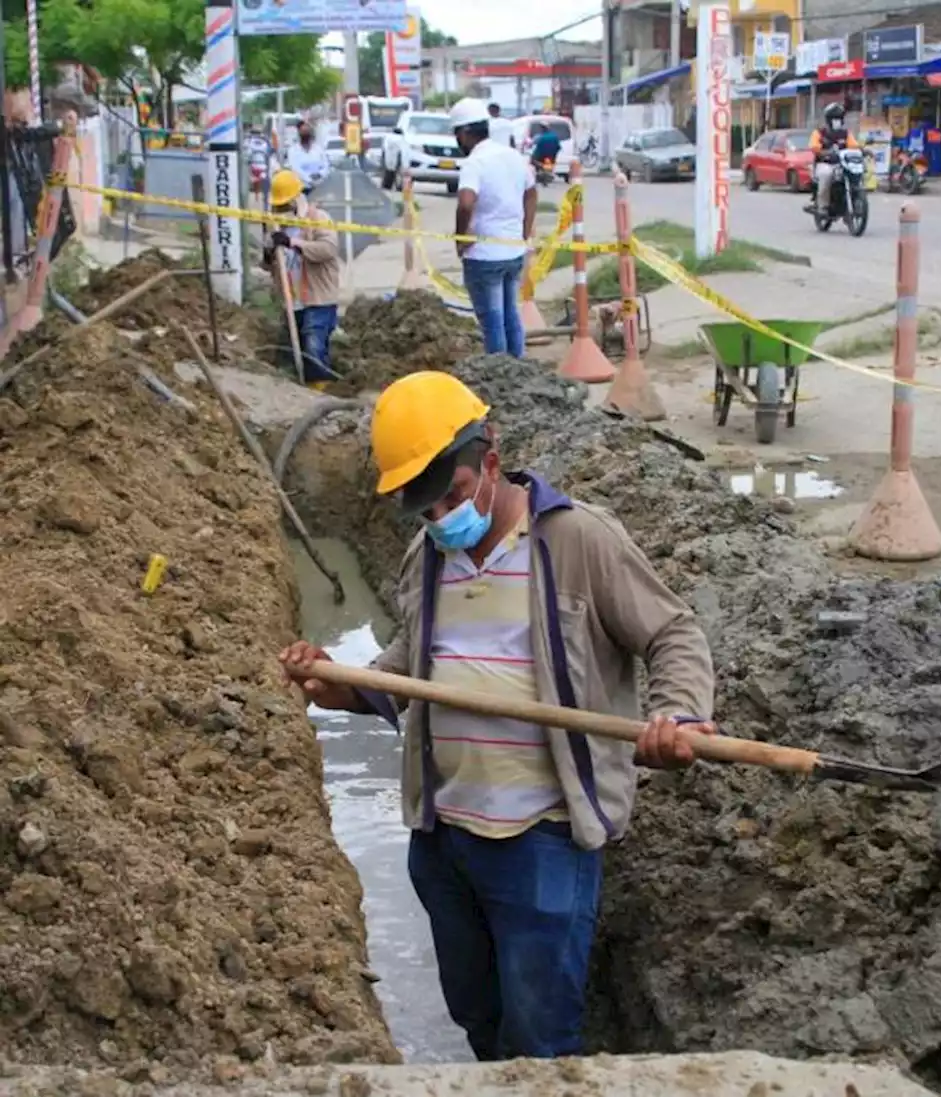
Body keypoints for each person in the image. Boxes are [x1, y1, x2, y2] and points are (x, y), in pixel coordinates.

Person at [279, 371, 716, 1061]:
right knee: (478, 1018)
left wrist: (679, 714)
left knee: (539, 1040)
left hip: (541, 841)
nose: (441, 519)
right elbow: (409, 671)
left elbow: (673, 634)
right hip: (444, 839)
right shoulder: (429, 555)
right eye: (423, 509)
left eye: (451, 496)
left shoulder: (578, 540)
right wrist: (336, 683)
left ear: (490, 457)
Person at [450, 98, 537, 358]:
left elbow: (466, 203)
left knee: (492, 322)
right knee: (511, 315)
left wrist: (461, 238)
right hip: (513, 252)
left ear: (465, 133)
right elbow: (531, 194)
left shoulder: (474, 163)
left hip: (483, 256)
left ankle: (499, 375)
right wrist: (524, 231)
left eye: (457, 135)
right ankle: (518, 369)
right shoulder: (513, 156)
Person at [262, 168, 341, 385]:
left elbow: (328, 249)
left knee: (313, 349)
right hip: (292, 301)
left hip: (318, 299)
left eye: (285, 205)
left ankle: (321, 389)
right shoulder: (276, 227)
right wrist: (269, 252)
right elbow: (270, 266)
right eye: (278, 206)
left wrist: (294, 244)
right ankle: (294, 390)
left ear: (297, 200)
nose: (281, 210)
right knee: (288, 354)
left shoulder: (317, 219)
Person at [809, 102, 858, 213]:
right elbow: (814, 147)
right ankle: (823, 206)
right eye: (834, 118)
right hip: (825, 164)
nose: (837, 121)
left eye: (839, 118)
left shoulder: (845, 133)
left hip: (842, 164)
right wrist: (823, 152)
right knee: (826, 174)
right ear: (828, 119)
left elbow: (854, 146)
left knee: (855, 174)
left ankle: (852, 201)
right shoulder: (819, 133)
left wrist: (863, 150)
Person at [285, 119, 329, 191]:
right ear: (299, 132)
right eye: (303, 131)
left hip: (319, 188)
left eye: (307, 131)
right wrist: (309, 179)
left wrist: (320, 174)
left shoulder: (318, 149)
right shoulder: (293, 150)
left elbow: (326, 165)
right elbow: (295, 169)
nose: (305, 133)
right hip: (301, 188)